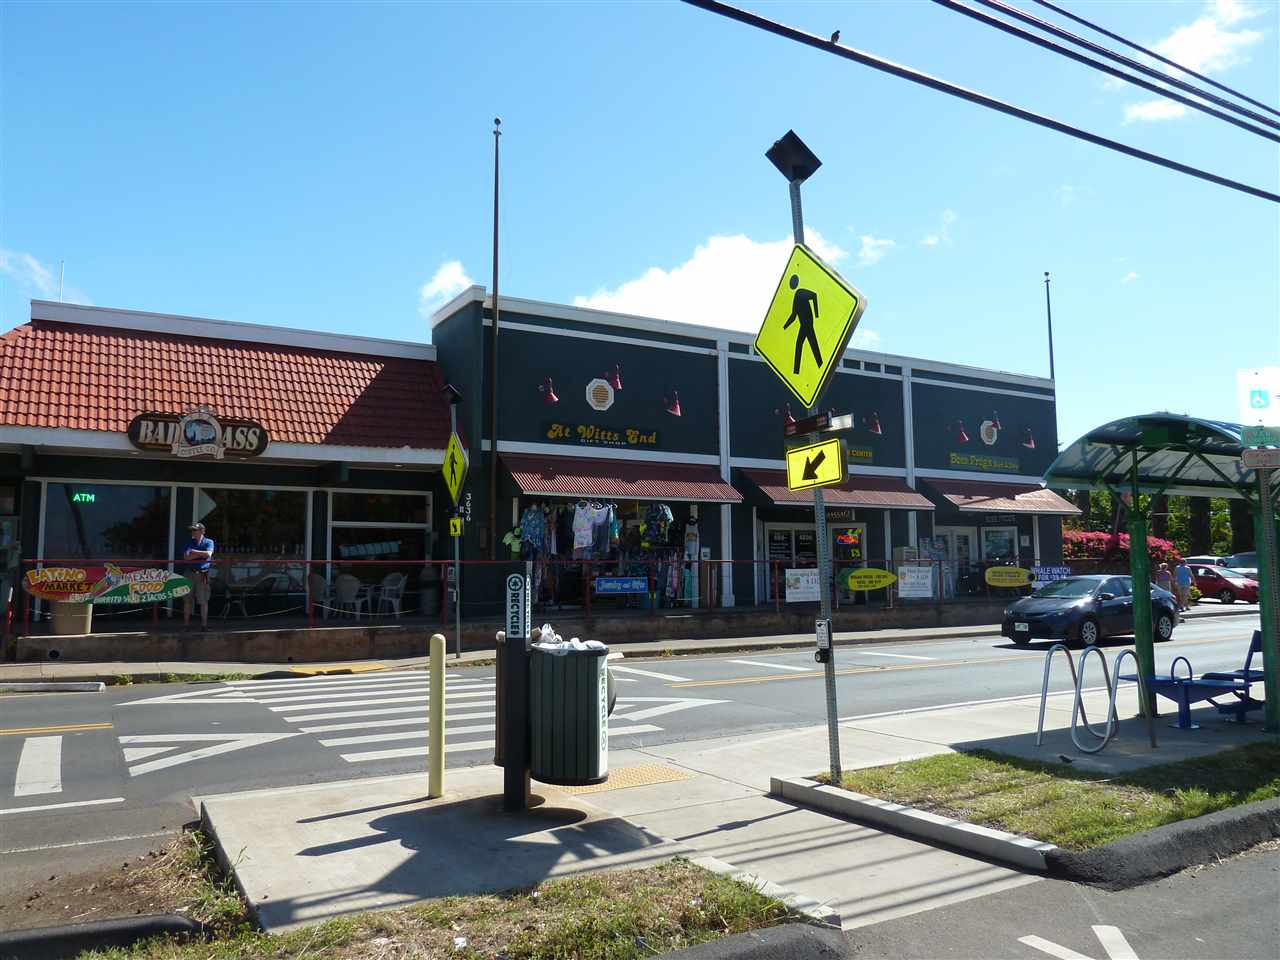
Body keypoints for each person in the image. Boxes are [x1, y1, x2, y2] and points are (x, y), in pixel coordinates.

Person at [183, 521, 216, 628]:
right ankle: (186, 625)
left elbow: (208, 554)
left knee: (204, 600)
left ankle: (204, 626)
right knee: (187, 599)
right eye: (192, 530)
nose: (192, 532)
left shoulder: (209, 542)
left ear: (202, 531)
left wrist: (193, 552)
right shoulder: (189, 541)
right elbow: (186, 557)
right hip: (190, 573)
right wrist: (202, 555)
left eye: (195, 530)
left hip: (204, 573)